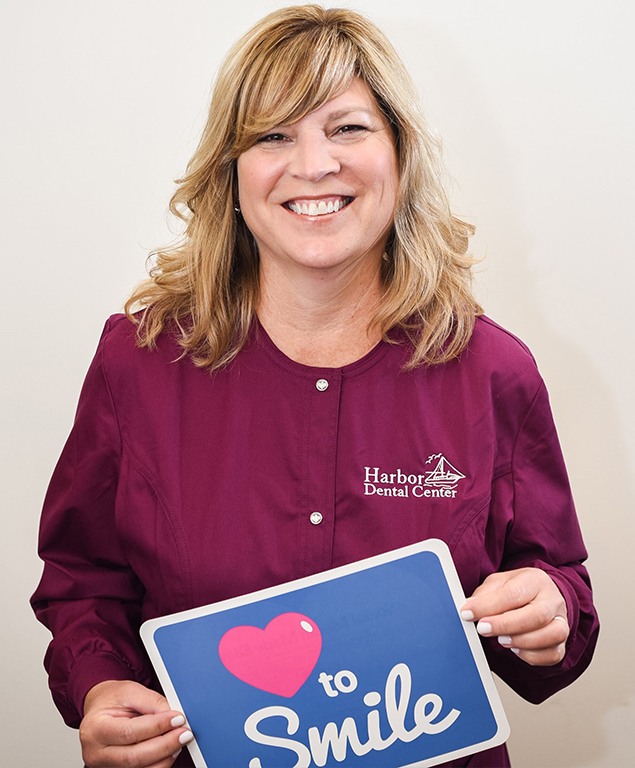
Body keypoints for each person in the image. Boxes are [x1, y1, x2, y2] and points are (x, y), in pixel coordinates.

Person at [31, 5, 599, 767]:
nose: (313, 164)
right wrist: (99, 686)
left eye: (347, 128)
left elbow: (560, 585)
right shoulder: (138, 365)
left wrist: (549, 607)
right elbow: (82, 581)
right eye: (272, 135)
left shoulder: (492, 372)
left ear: (398, 155)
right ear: (229, 173)